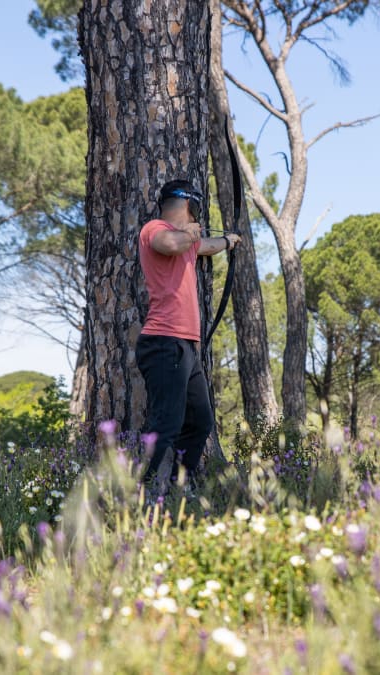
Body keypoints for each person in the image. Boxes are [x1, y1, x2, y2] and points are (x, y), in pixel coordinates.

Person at [135, 179, 241, 500]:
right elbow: (168, 244)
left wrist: (228, 241)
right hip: (163, 342)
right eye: (195, 208)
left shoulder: (188, 242)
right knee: (166, 424)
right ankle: (135, 494)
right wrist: (192, 232)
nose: (198, 216)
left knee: (200, 422)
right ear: (186, 204)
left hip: (185, 348)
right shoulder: (155, 228)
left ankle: (180, 488)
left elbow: (204, 247)